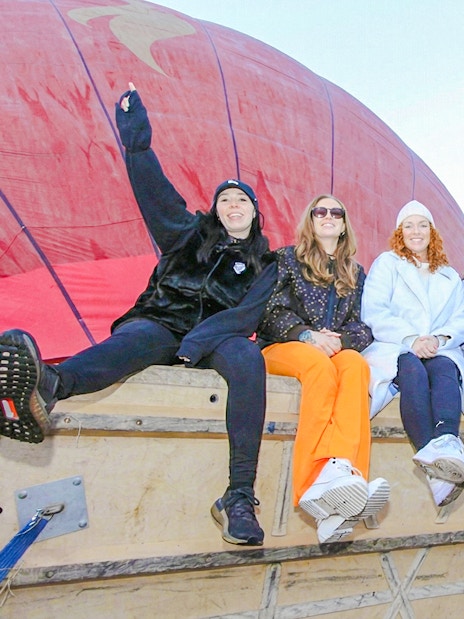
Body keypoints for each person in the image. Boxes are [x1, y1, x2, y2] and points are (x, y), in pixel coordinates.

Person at [0, 83, 278, 547]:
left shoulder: (266, 263)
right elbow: (154, 192)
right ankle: (49, 387)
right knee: (130, 344)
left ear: (254, 212)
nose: (233, 205)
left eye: (242, 200)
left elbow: (246, 317)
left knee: (250, 362)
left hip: (214, 339)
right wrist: (137, 138)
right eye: (225, 199)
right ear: (215, 209)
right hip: (163, 320)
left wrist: (195, 346)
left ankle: (239, 496)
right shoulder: (187, 234)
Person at [257, 194, 390, 543]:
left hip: (333, 349)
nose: (328, 216)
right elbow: (269, 311)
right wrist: (307, 335)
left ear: (344, 224)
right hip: (283, 346)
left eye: (336, 212)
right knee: (319, 366)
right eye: (321, 211)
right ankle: (311, 482)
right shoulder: (287, 259)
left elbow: (366, 326)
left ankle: (346, 483)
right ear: (311, 220)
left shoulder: (356, 274)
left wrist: (340, 341)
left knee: (355, 367)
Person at [362, 200, 464, 508]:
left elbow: (459, 318)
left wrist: (438, 337)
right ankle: (434, 464)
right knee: (411, 371)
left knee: (445, 368)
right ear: (399, 232)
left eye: (422, 225)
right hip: (397, 345)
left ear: (432, 232)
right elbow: (374, 311)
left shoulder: (449, 276)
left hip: (437, 347)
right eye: (409, 225)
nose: (415, 231)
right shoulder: (387, 263)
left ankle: (448, 440)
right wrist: (410, 339)